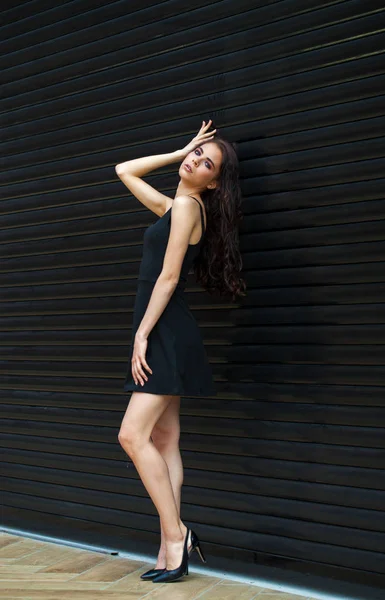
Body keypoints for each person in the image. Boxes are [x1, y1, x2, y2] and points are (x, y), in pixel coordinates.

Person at [115, 120, 246, 583]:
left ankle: (176, 535)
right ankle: (169, 544)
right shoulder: (177, 206)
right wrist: (179, 150)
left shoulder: (189, 206)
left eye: (204, 162)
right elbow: (124, 170)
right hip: (169, 330)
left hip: (166, 332)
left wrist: (142, 335)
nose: (194, 161)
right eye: (196, 154)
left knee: (132, 436)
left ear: (213, 182)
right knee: (165, 441)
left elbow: (169, 278)